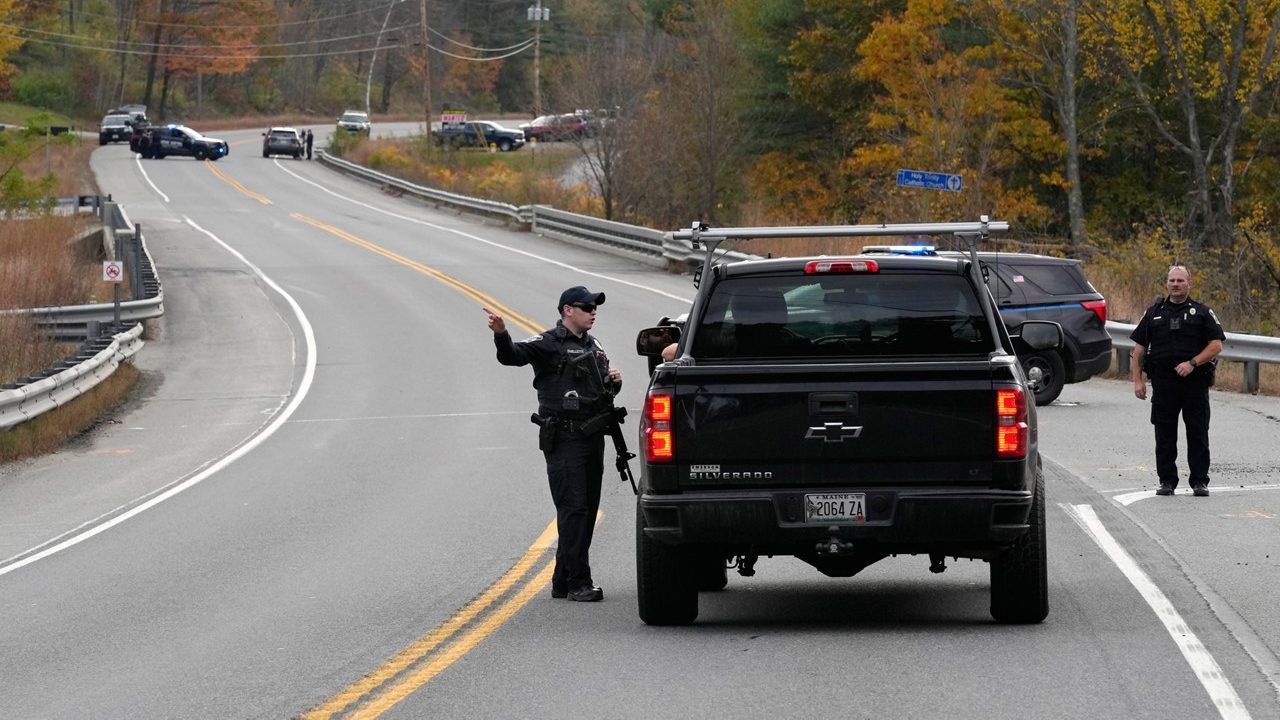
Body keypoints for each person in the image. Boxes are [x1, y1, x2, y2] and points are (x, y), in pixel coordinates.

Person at [485, 286, 622, 602]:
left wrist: (614, 379)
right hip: (564, 438)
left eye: (594, 307)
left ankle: (562, 579)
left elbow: (601, 390)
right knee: (573, 508)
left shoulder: (595, 345)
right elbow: (512, 356)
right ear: (567, 310)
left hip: (592, 436)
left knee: (585, 511)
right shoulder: (548, 343)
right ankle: (578, 582)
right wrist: (501, 334)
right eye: (586, 306)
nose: (593, 311)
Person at [1130, 265, 1224, 497]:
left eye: (1180, 280)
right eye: (1172, 280)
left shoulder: (1201, 312)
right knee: (1164, 435)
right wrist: (1137, 381)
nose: (1175, 284)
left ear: (1188, 284)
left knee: (1198, 433)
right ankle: (1167, 481)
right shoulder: (1153, 313)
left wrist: (1192, 362)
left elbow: (1216, 345)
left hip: (1194, 384)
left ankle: (1200, 481)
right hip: (1163, 384)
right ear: (1166, 283)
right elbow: (1138, 350)